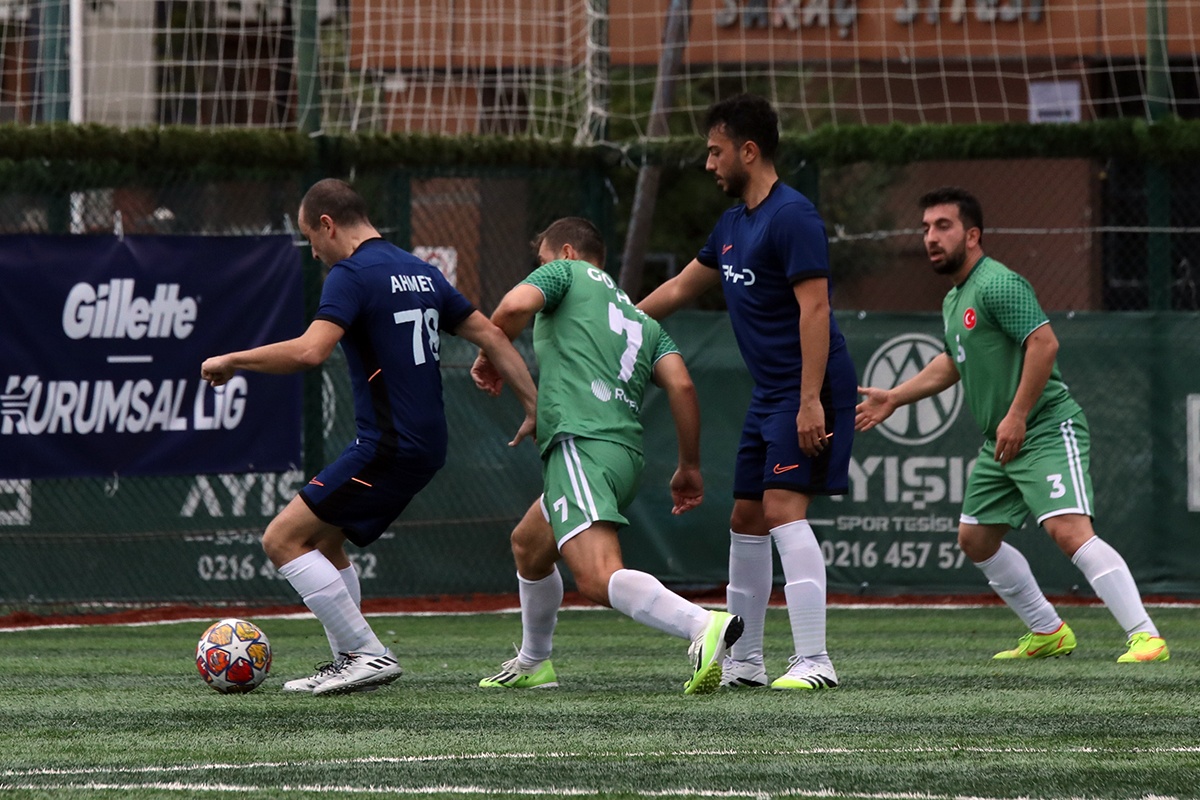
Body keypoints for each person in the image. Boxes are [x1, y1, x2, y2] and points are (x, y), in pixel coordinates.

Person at [201, 178, 539, 695]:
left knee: (281, 539)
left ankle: (365, 653)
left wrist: (233, 359)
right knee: (324, 540)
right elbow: (492, 334)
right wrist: (532, 404)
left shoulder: (351, 273)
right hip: (423, 442)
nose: (314, 252)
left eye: (311, 238)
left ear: (328, 224)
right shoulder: (420, 271)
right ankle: (350, 659)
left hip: (389, 443)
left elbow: (311, 351)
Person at [855, 186, 1169, 663]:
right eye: (925, 228)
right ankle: (1048, 631)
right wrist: (896, 396)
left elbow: (1044, 344)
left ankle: (1146, 636)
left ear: (973, 235)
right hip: (1001, 441)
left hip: (1043, 427)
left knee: (1068, 531)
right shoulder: (954, 298)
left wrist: (1018, 414)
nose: (931, 237)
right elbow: (952, 361)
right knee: (976, 539)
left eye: (943, 226)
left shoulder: (999, 283)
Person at [469, 216, 743, 695]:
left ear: (567, 252)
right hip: (623, 458)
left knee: (597, 576)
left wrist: (491, 353)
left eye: (542, 261)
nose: (541, 269)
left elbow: (512, 306)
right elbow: (681, 385)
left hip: (580, 444)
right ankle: (533, 662)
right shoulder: (642, 320)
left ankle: (702, 624)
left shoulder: (565, 272)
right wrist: (689, 467)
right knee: (530, 546)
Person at [637, 94, 857, 691]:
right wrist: (616, 322)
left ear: (749, 151)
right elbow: (679, 288)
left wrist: (810, 401)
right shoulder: (732, 224)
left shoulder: (793, 216)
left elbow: (816, 311)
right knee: (746, 517)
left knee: (782, 508)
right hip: (771, 391)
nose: (709, 163)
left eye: (716, 151)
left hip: (808, 386)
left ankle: (815, 660)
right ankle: (746, 662)